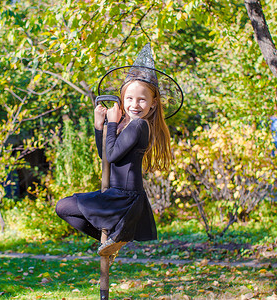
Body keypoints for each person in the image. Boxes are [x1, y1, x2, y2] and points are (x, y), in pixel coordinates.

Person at [55, 43, 182, 260]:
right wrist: (99, 126)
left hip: (125, 197)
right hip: (115, 193)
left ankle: (116, 239)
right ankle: (112, 242)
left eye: (142, 99)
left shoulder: (140, 126)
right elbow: (104, 156)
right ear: (122, 99)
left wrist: (112, 124)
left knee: (64, 206)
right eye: (129, 99)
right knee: (63, 207)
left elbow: (112, 155)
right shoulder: (126, 125)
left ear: (152, 104)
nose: (135, 104)